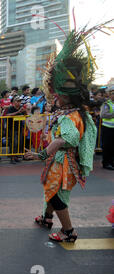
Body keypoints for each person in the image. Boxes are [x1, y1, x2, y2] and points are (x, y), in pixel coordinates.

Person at [24, 23, 103, 242]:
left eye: (57, 94)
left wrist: (41, 153)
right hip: (60, 161)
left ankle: (69, 231)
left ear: (65, 96)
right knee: (51, 190)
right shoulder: (75, 112)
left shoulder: (70, 117)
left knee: (57, 196)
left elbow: (67, 138)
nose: (54, 98)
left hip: (63, 162)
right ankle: (46, 218)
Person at [6, 95, 27, 163]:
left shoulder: (21, 108)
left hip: (20, 127)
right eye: (17, 101)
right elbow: (8, 115)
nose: (19, 103)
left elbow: (26, 115)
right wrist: (18, 112)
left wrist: (25, 111)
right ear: (14, 102)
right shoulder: (11, 108)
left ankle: (16, 157)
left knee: (19, 143)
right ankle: (12, 158)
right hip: (12, 128)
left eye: (20, 101)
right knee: (14, 143)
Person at [100, 85, 114, 170]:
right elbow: (103, 115)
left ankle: (112, 162)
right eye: (112, 93)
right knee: (107, 146)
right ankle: (106, 163)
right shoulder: (106, 104)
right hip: (107, 128)